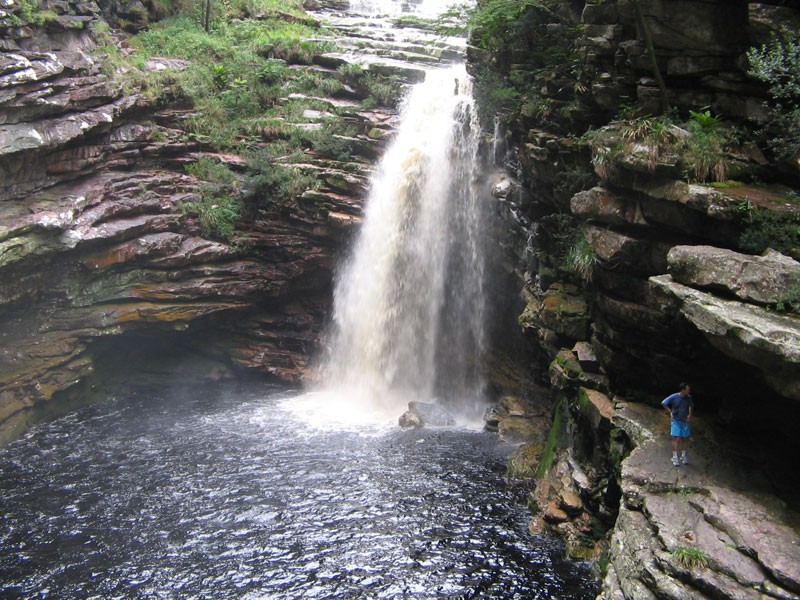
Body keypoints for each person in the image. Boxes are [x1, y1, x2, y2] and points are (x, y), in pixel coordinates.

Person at [662, 383, 693, 467]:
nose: (689, 391)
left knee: (685, 438)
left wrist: (689, 415)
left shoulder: (688, 397)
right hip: (676, 420)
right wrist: (670, 412)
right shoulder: (674, 396)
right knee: (677, 438)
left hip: (684, 421)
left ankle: (683, 456)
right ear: (683, 390)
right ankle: (675, 457)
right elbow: (664, 403)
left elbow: (690, 406)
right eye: (687, 389)